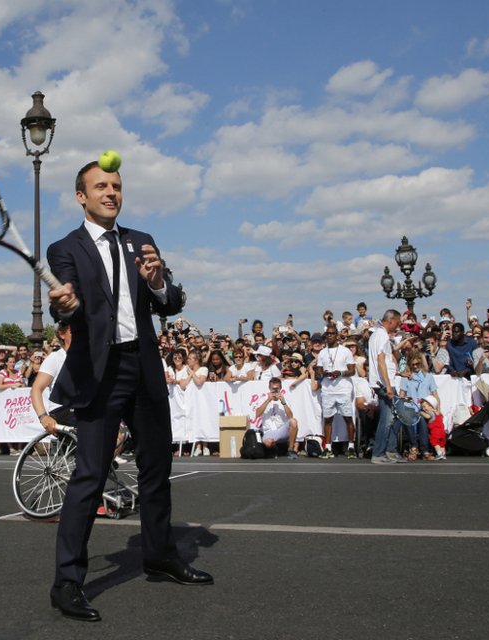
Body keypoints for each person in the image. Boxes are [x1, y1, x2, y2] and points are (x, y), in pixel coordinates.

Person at [45, 160, 211, 623]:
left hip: (143, 364)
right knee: (90, 476)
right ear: (81, 196)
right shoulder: (65, 248)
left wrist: (159, 283)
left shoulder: (142, 240)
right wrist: (66, 306)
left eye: (116, 186)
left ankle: (159, 556)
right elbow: (66, 304)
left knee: (157, 467)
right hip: (99, 371)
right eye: (101, 186)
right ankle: (67, 582)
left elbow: (172, 302)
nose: (111, 192)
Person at [367, 309, 404, 463]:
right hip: (384, 383)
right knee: (388, 418)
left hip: (384, 382)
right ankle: (379, 453)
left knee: (396, 416)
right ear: (391, 320)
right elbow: (381, 360)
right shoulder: (381, 335)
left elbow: (386, 361)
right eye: (398, 322)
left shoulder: (377, 334)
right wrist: (388, 386)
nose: (398, 325)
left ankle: (390, 449)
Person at [314, 326, 356, 459]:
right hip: (328, 389)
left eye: (332, 333)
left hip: (343, 389)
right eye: (328, 334)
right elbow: (318, 371)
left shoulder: (345, 351)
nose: (330, 336)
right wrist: (323, 373)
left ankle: (351, 447)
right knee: (328, 419)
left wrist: (341, 373)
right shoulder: (322, 353)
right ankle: (327, 448)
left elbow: (352, 370)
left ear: (337, 335)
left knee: (348, 418)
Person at [252, 377, 299, 458]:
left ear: (280, 388)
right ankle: (277, 448)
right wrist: (268, 400)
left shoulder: (285, 400)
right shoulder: (263, 399)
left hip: (281, 430)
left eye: (277, 389)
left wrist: (283, 403)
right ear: (269, 388)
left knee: (293, 421)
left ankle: (290, 450)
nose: (275, 391)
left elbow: (290, 416)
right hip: (269, 431)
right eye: (273, 389)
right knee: (268, 443)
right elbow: (257, 414)